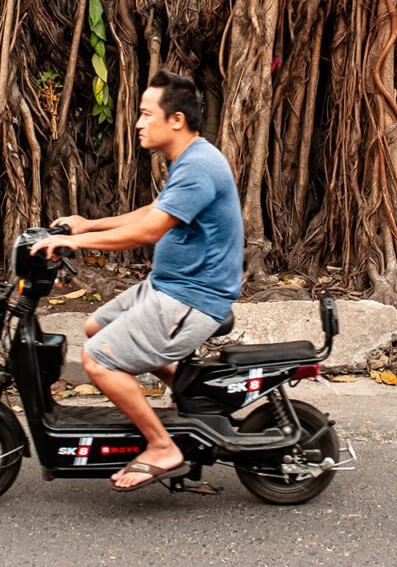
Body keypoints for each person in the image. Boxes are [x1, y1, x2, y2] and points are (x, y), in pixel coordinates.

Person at [30, 70, 243, 491]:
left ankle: (162, 446)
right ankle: (189, 395)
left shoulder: (199, 166)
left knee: (97, 357)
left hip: (191, 298)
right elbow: (151, 212)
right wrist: (87, 223)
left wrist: (76, 242)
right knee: (96, 327)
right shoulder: (190, 161)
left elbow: (147, 233)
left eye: (147, 114)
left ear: (176, 120)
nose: (139, 123)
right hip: (169, 286)